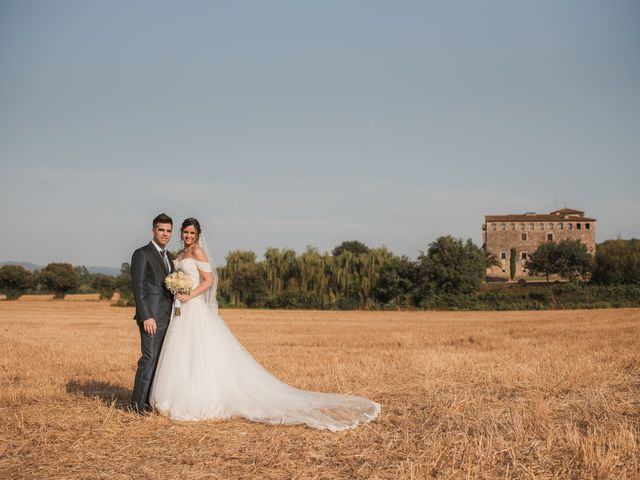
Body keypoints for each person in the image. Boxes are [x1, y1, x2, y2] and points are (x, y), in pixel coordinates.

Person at [149, 218, 380, 431]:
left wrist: (189, 295)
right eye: (185, 232)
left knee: (200, 352)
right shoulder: (179, 253)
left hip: (194, 305)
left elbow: (208, 281)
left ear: (198, 235)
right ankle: (177, 396)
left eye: (192, 232)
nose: (188, 235)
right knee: (182, 352)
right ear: (181, 233)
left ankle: (200, 398)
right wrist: (177, 290)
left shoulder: (198, 252)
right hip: (181, 309)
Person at [129, 213, 175, 414]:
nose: (165, 234)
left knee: (159, 361)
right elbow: (138, 288)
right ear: (153, 231)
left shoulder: (170, 257)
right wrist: (146, 315)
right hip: (151, 318)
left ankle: (148, 402)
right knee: (148, 359)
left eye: (168, 231)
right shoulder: (142, 254)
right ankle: (136, 405)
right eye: (161, 230)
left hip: (169, 317)